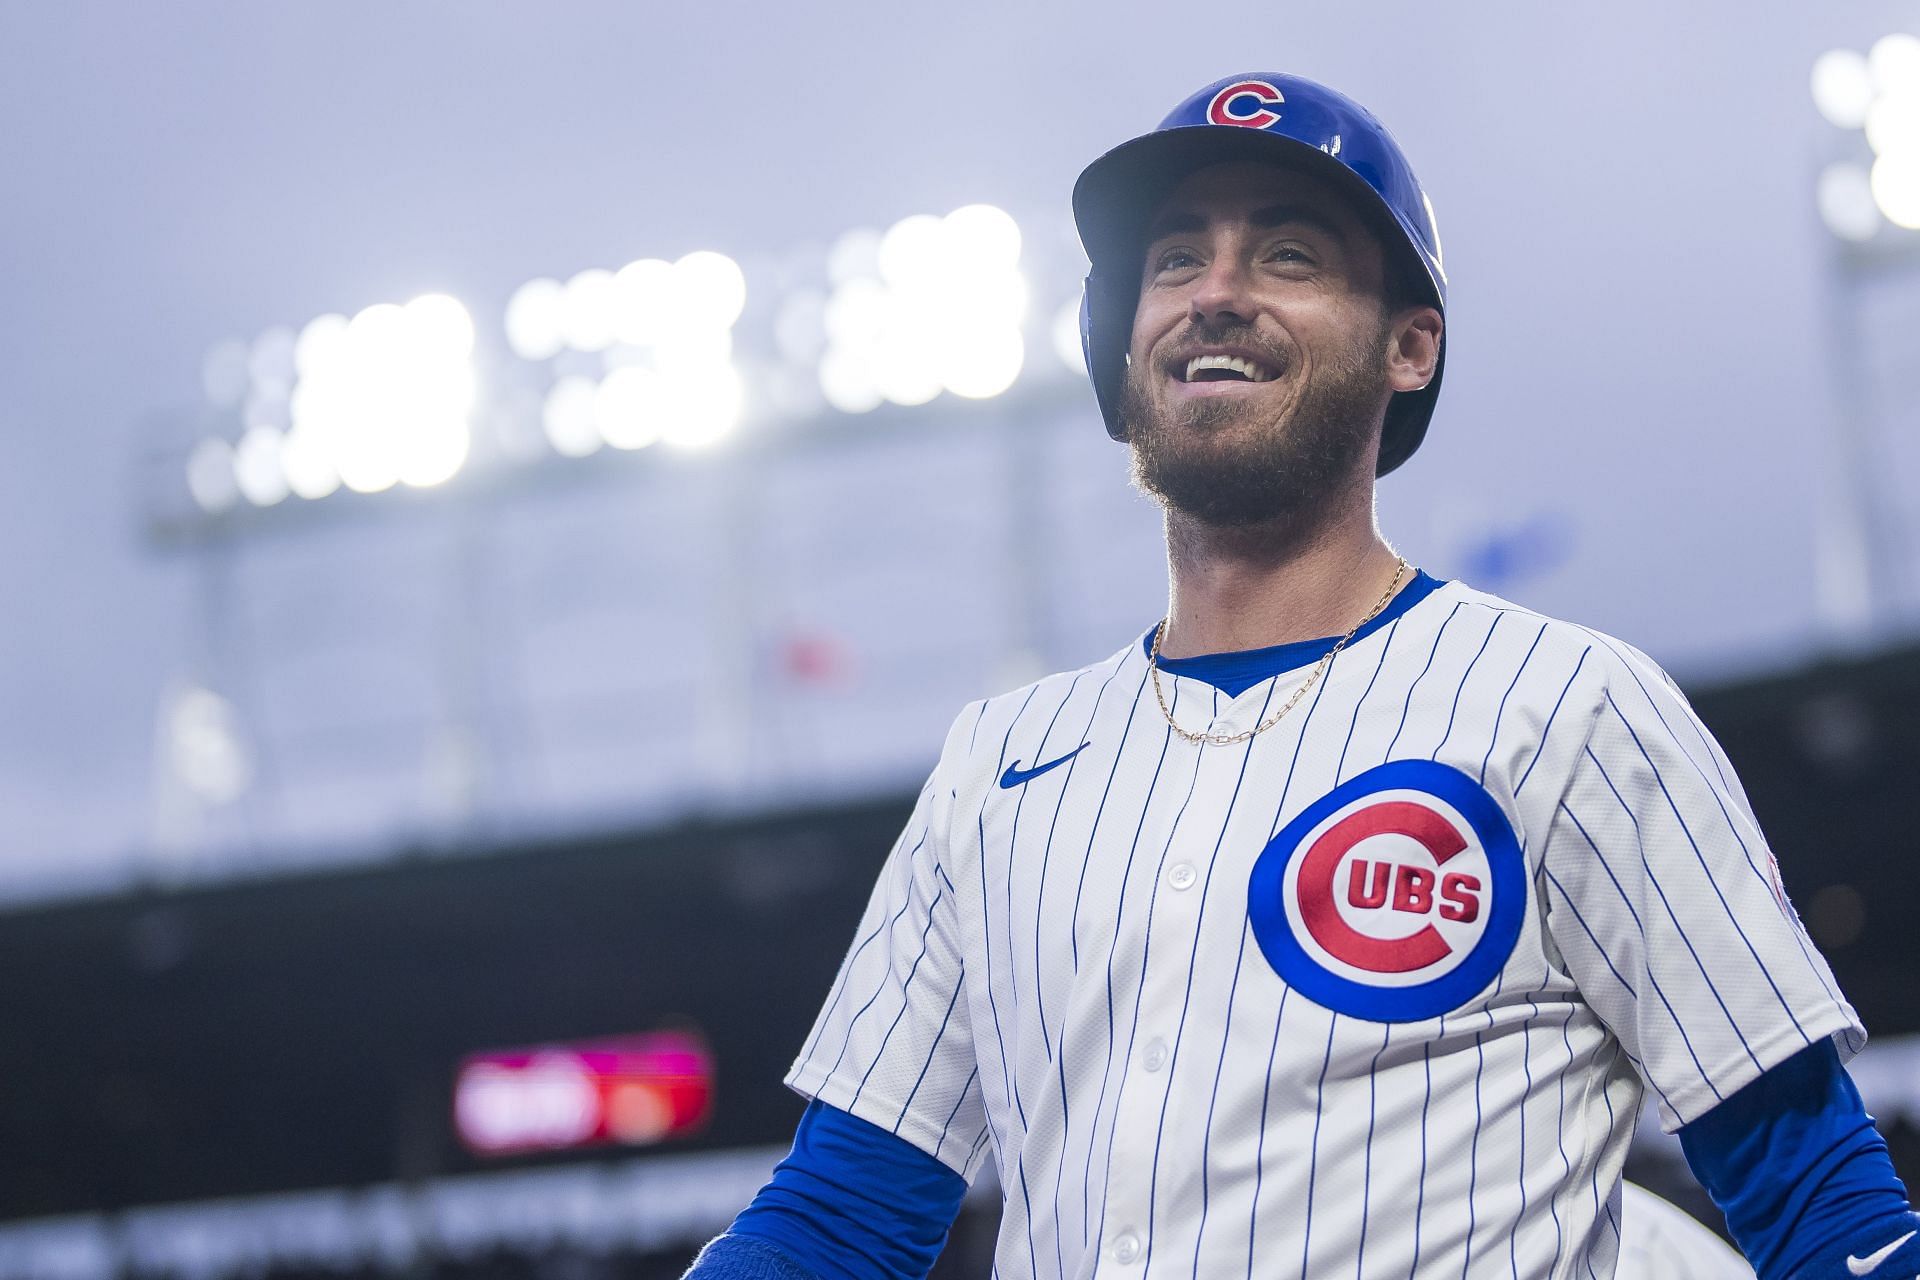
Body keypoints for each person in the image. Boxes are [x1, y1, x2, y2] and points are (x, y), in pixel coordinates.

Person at [682, 73, 1919, 1280]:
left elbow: (1813, 1193)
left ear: (1410, 346)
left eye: (1287, 255)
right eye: (1174, 258)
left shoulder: (1572, 707)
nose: (1215, 292)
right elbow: (843, 1219)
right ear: (1120, 353)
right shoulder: (996, 764)